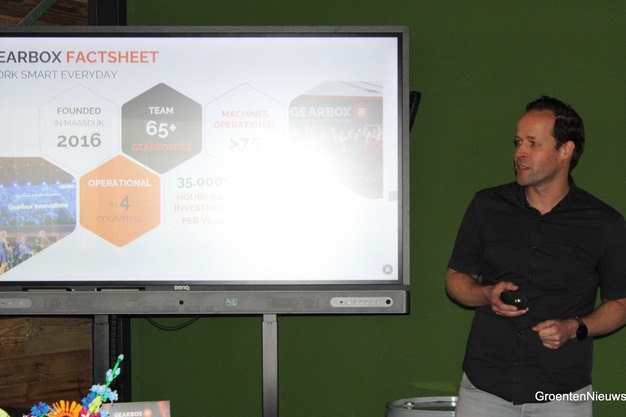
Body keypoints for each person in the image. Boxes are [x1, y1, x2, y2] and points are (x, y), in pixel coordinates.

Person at [446, 96, 626, 416]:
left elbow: (621, 305)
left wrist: (574, 328)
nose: (520, 152)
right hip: (485, 388)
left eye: (533, 143)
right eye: (518, 142)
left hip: (561, 394)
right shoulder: (487, 205)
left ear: (565, 150)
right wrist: (487, 294)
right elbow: (456, 279)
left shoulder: (604, 223)